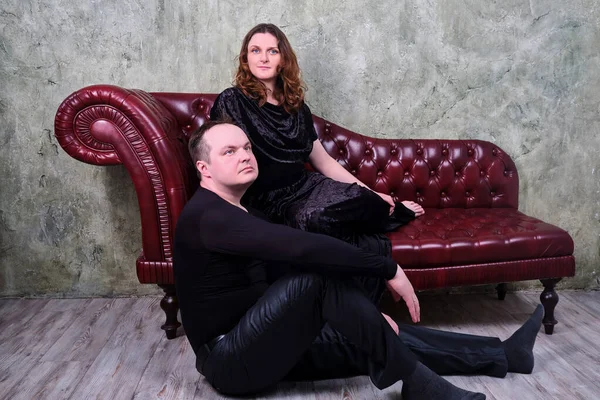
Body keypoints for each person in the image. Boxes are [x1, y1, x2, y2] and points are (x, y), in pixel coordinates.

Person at [173, 119, 544, 399]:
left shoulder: (241, 211)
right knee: (315, 279)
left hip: (262, 339)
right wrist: (387, 267)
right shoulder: (210, 216)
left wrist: (361, 316)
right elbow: (301, 248)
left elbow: (276, 272)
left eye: (246, 148)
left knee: (380, 333)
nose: (245, 156)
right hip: (231, 360)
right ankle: (416, 385)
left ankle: (504, 355)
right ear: (204, 169)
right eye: (229, 152)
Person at [209, 23, 425, 251]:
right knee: (313, 219)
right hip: (267, 200)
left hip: (308, 186)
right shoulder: (231, 100)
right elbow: (216, 155)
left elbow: (323, 162)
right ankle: (370, 253)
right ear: (246, 58)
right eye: (255, 50)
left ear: (283, 59)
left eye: (272, 51)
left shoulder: (296, 107)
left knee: (368, 200)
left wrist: (373, 193)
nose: (263, 58)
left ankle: (385, 212)